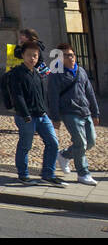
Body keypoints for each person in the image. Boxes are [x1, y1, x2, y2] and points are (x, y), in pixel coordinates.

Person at [3, 41, 65, 186]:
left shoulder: (37, 73)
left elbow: (42, 94)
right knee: (25, 146)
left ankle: (48, 174)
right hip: (26, 117)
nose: (32, 58)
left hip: (42, 115)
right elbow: (18, 96)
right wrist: (25, 115)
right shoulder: (17, 73)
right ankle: (23, 175)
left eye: (35, 56)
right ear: (23, 55)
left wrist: (46, 111)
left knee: (53, 143)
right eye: (29, 55)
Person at [47, 43, 100, 185]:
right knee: (80, 143)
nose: (70, 58)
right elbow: (52, 97)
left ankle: (64, 155)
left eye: (71, 54)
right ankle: (83, 174)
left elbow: (90, 92)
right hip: (69, 112)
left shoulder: (81, 71)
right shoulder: (55, 74)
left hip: (85, 111)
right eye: (65, 55)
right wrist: (55, 117)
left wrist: (95, 112)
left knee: (91, 141)